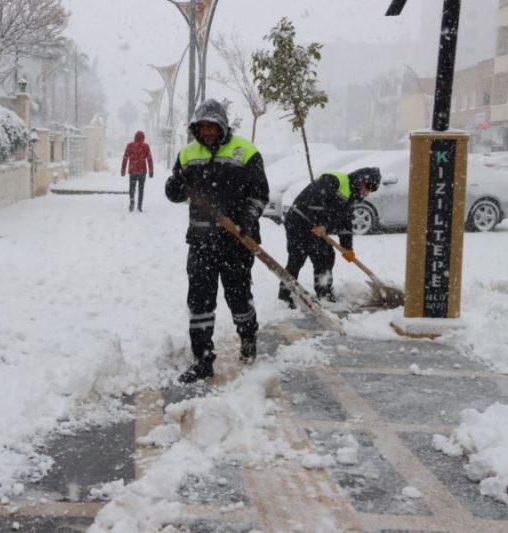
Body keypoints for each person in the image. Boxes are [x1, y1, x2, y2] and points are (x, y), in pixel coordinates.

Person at [165, 99, 269, 383]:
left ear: (222, 126)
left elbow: (260, 193)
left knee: (238, 298)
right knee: (199, 302)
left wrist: (247, 219)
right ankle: (202, 359)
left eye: (212, 126)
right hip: (200, 242)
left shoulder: (245, 152)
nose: (208, 131)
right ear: (196, 128)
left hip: (236, 242)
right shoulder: (188, 155)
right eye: (203, 126)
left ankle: (248, 337)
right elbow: (175, 193)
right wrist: (173, 187)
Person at [278, 167, 382, 308]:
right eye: (368, 188)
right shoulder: (335, 180)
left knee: (325, 257)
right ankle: (285, 296)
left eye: (370, 191)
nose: (367, 193)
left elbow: (345, 223)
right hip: (299, 220)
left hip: (319, 228)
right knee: (297, 258)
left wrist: (347, 248)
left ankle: (324, 293)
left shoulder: (351, 195)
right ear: (361, 181)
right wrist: (321, 224)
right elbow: (315, 201)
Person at [120, 130, 154, 212]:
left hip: (132, 171)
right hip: (142, 172)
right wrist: (151, 170)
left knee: (132, 188)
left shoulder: (130, 146)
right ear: (143, 138)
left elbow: (125, 158)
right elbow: (149, 159)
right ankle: (139, 205)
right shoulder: (146, 146)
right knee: (141, 189)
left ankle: (132, 202)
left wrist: (123, 170)